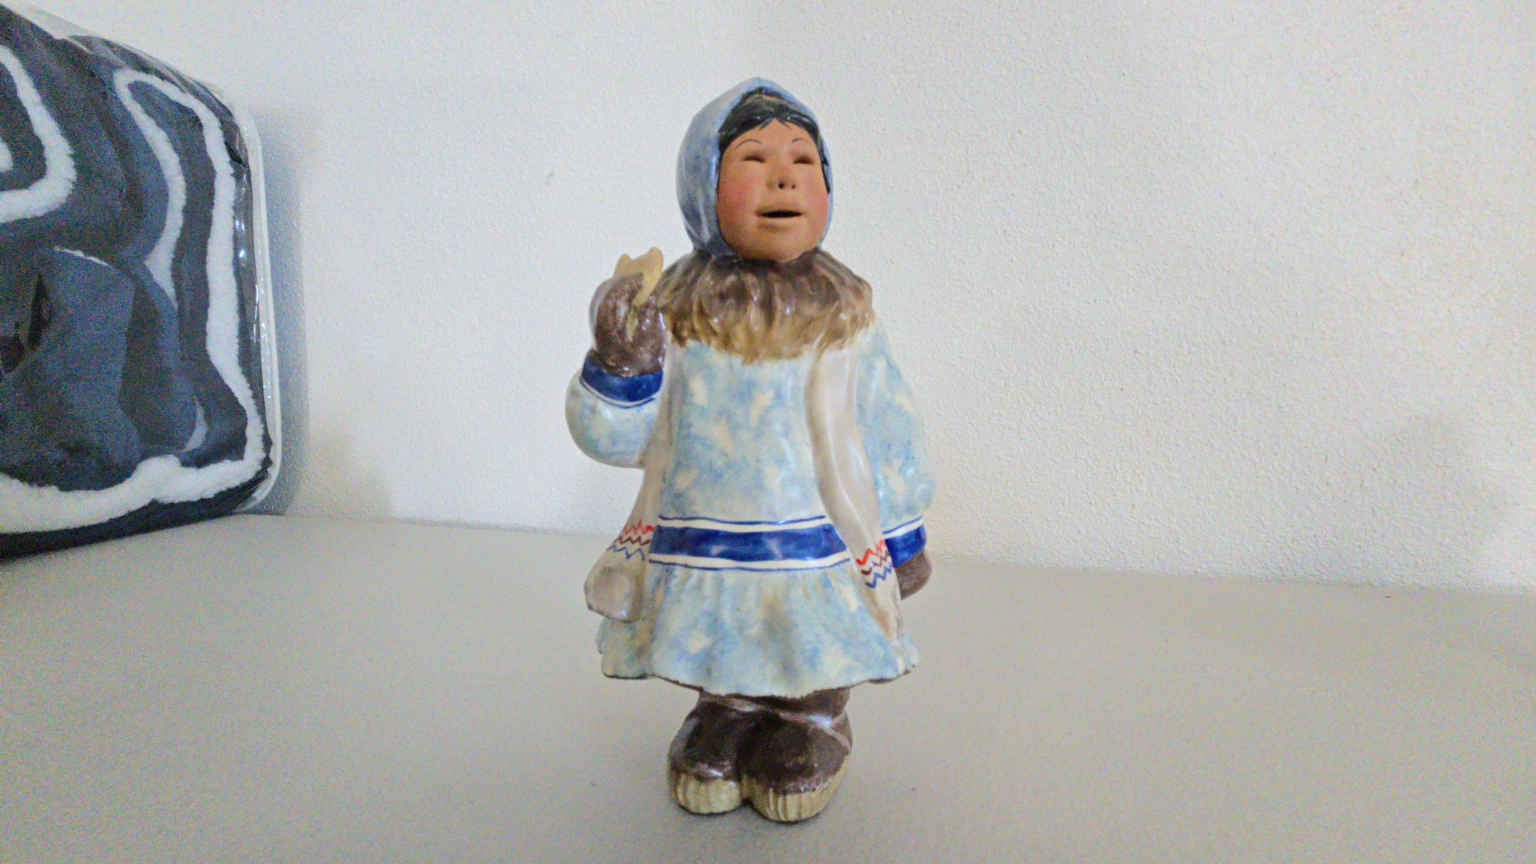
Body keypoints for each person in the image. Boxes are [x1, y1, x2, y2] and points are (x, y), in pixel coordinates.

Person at [565, 78, 933, 822]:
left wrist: (902, 537)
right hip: (705, 540)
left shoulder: (846, 319)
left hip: (816, 542)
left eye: (802, 160)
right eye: (754, 160)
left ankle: (811, 721)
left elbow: (889, 432)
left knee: (809, 646)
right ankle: (726, 713)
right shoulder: (673, 316)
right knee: (719, 640)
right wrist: (622, 365)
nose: (783, 178)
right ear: (703, 189)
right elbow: (620, 439)